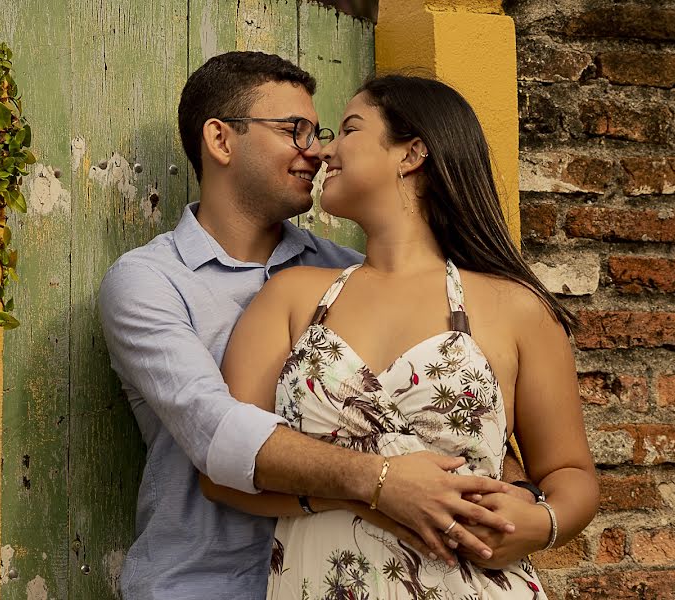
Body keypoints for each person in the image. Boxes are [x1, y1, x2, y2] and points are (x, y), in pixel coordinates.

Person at [99, 53, 527, 600]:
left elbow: (449, 413)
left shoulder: (343, 273)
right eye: (293, 130)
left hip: (346, 581)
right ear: (221, 140)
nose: (316, 149)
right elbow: (218, 431)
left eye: (320, 131)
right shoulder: (149, 282)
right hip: (204, 583)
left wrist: (523, 496)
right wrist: (378, 487)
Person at [201, 74, 599, 598]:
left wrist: (540, 524)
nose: (323, 151)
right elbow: (225, 471)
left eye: (348, 130)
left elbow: (569, 471)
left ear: (411, 153)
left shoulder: (515, 307)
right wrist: (372, 492)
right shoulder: (292, 297)